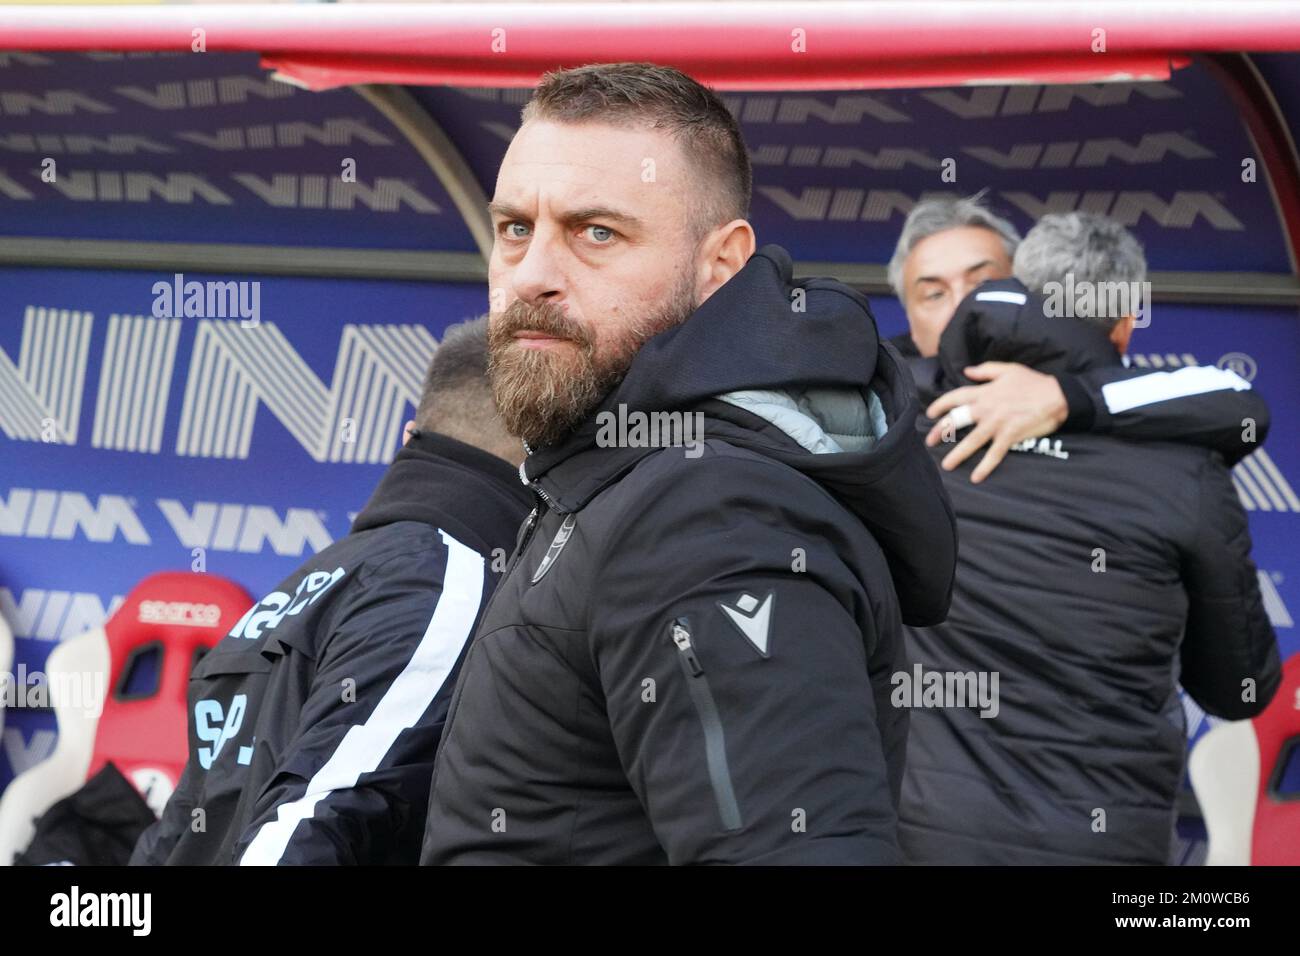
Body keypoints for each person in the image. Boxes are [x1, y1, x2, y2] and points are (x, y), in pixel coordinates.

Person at [420, 62, 957, 865]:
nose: (533, 276)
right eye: (514, 230)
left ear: (722, 266)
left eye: (596, 232)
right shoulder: (625, 468)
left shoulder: (712, 514)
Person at [898, 212, 1281, 864]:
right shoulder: (1188, 469)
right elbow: (1236, 687)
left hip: (922, 837)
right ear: (1126, 321)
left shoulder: (913, 418)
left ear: (1025, 293)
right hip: (1105, 845)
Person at [131, 318, 533, 865]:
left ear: (410, 437)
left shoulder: (321, 577)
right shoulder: (450, 581)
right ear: (538, 460)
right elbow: (315, 817)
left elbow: (183, 829)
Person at [888, 195, 1268, 480]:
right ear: (909, 318)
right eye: (934, 294)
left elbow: (1237, 404)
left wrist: (1065, 398)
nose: (962, 306)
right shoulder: (884, 400)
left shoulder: (1093, 382)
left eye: (984, 285)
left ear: (1029, 293)